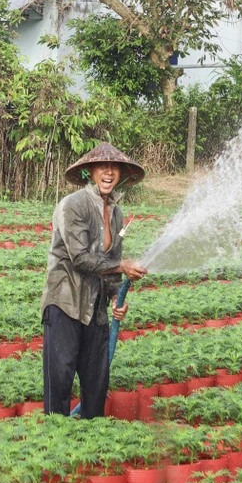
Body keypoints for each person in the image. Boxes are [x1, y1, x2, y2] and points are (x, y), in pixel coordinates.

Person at [40, 143, 148, 418]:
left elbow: (112, 261)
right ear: (90, 171)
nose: (109, 172)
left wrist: (115, 298)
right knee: (59, 384)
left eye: (115, 167)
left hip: (96, 309)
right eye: (102, 166)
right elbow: (80, 259)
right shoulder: (72, 205)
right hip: (66, 303)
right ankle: (54, 447)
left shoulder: (117, 214)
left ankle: (90, 451)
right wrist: (122, 266)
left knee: (96, 387)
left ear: (122, 173)